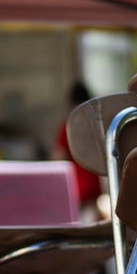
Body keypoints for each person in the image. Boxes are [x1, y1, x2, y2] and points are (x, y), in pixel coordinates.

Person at [52, 80, 103, 216]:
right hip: (93, 186)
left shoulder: (68, 125)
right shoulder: (95, 125)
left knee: (78, 225)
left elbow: (59, 157)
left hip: (76, 187)